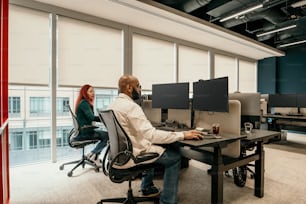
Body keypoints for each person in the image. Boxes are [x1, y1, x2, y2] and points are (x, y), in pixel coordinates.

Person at [108, 74, 203, 204]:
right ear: (130, 88)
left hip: (118, 156)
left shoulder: (113, 105)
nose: (140, 90)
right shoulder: (131, 107)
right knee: (174, 158)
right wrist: (183, 135)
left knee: (155, 146)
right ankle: (168, 201)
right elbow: (151, 135)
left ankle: (147, 187)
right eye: (138, 86)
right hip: (133, 155)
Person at [75, 84, 109, 166]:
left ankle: (95, 156)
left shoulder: (82, 102)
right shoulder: (84, 103)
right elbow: (91, 117)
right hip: (86, 132)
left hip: (84, 131)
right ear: (84, 93)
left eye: (93, 91)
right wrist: (105, 119)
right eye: (90, 91)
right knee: (108, 136)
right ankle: (93, 154)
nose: (93, 93)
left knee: (104, 134)